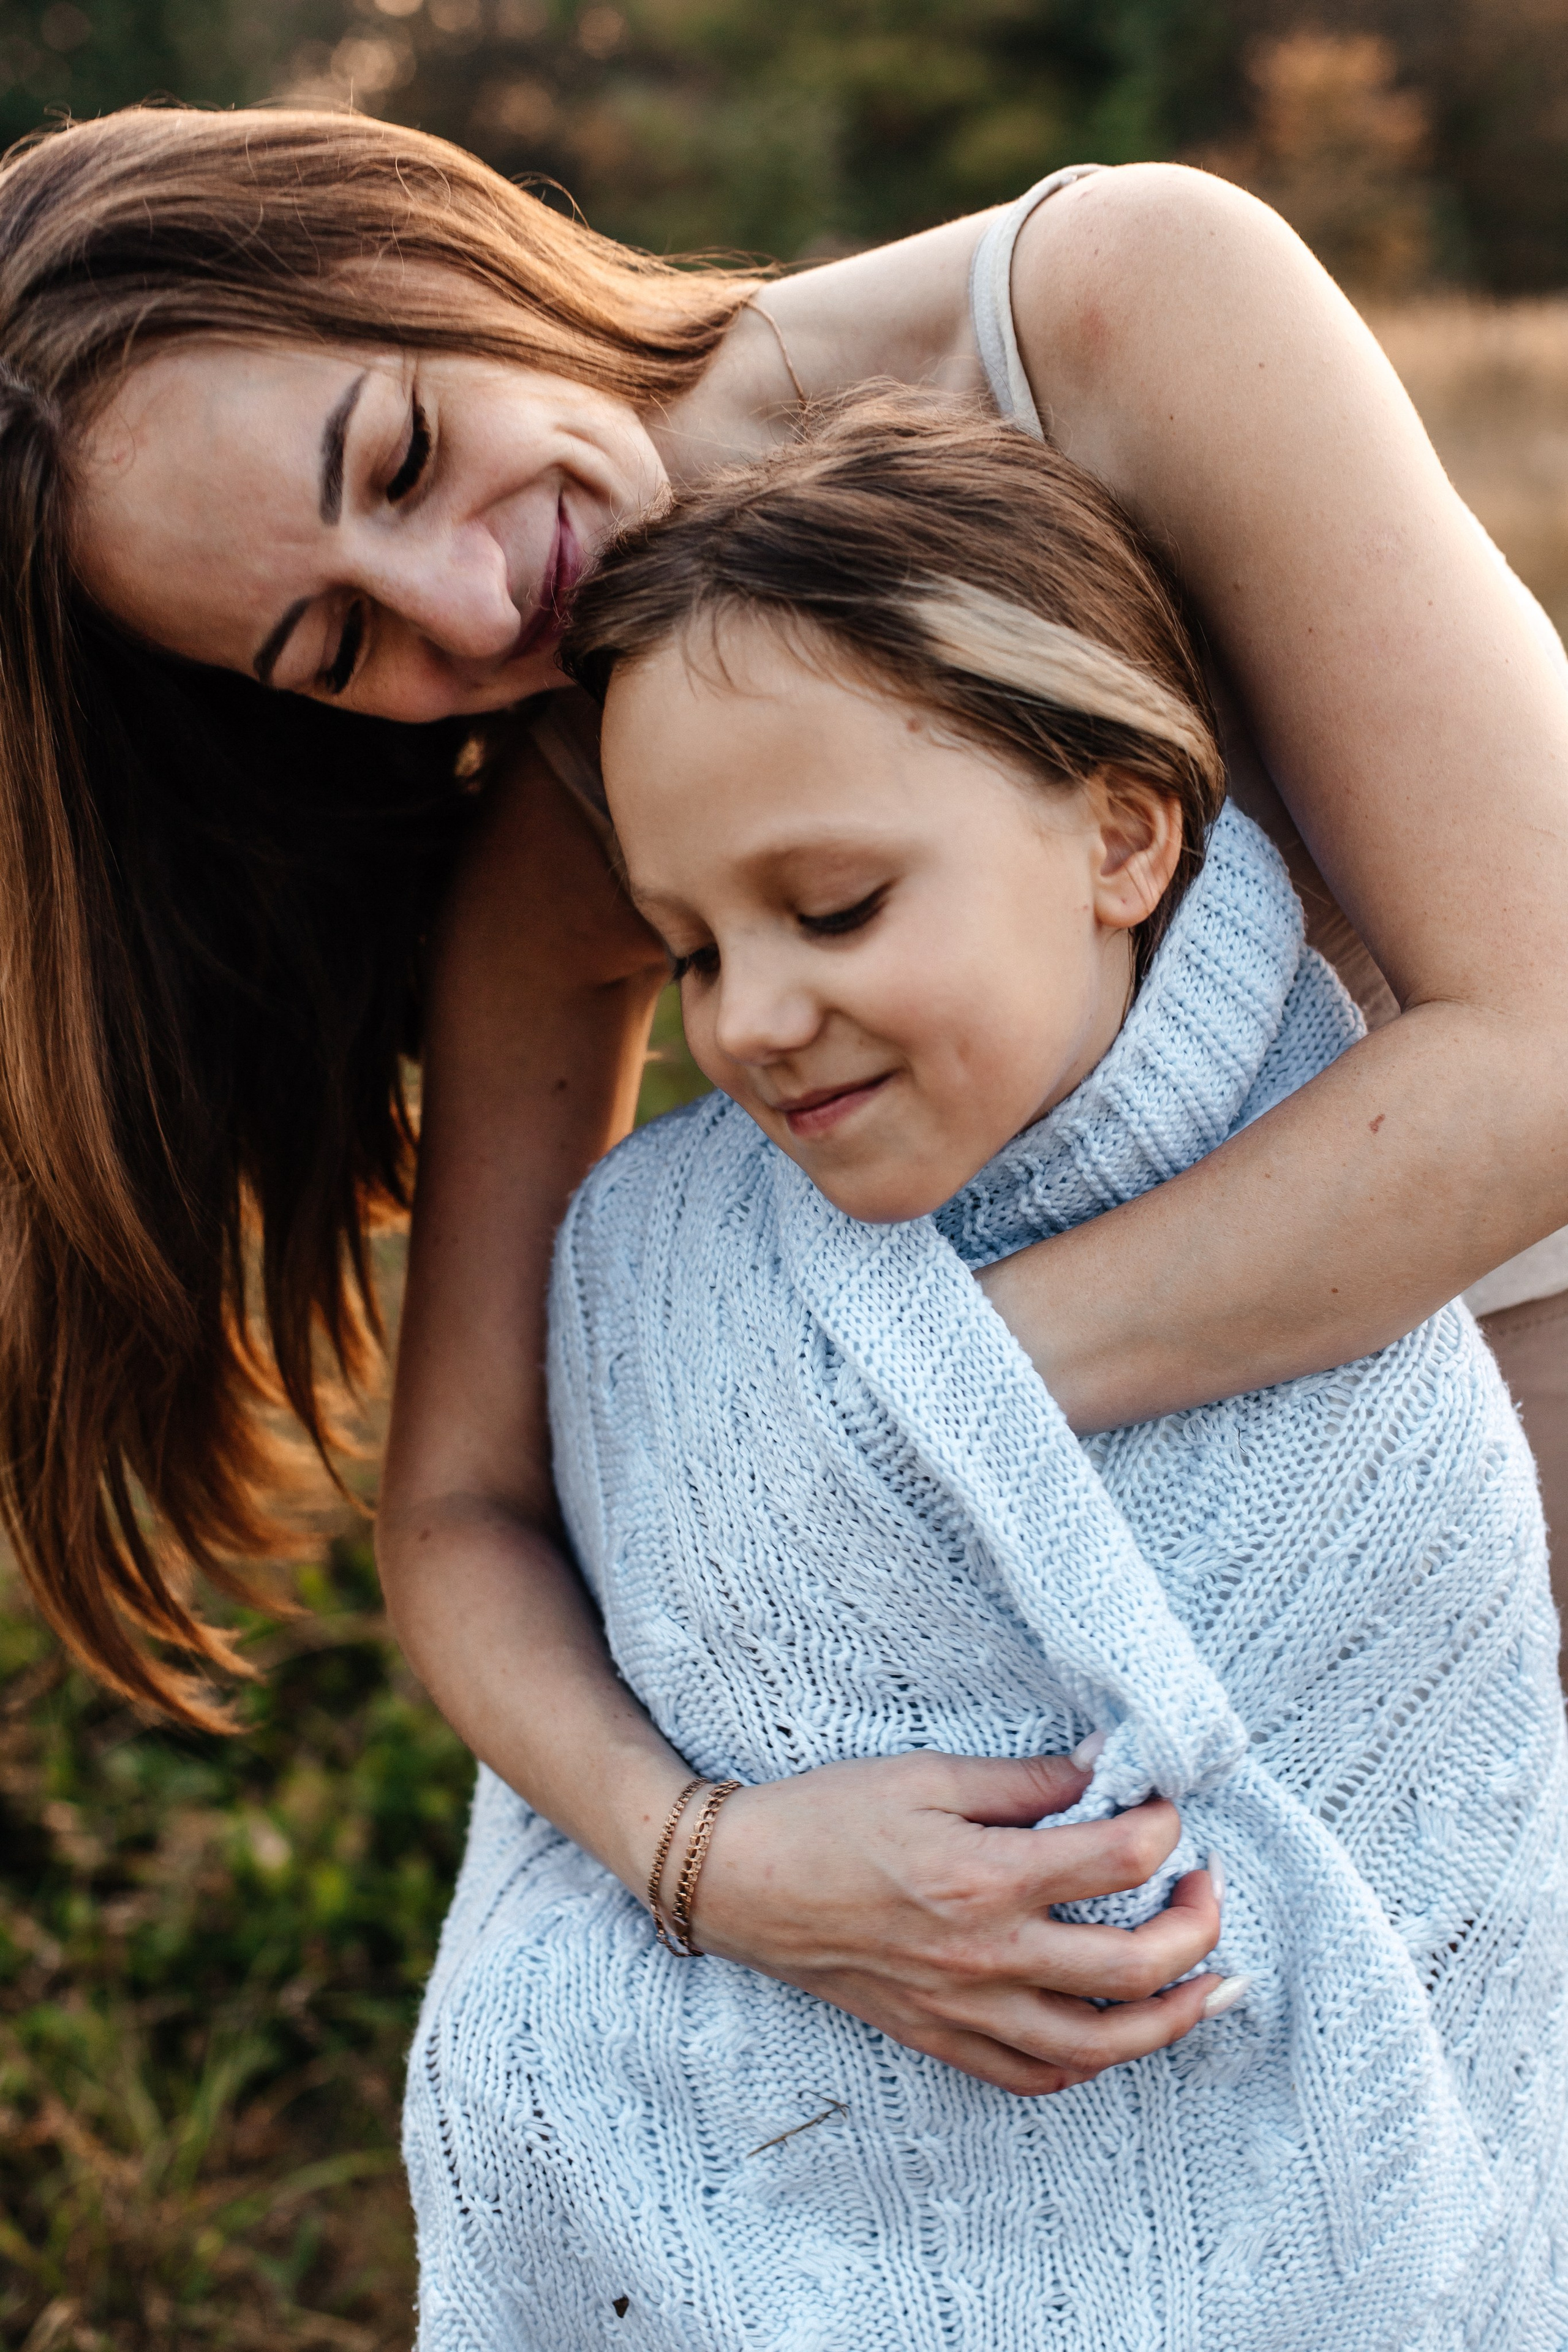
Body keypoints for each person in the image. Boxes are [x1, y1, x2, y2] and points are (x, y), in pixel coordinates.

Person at [7, 104, 1567, 2098]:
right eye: (339, 646)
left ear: (403, 241)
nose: (474, 605)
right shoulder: (561, 830)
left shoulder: (1116, 312)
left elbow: (1547, 1049)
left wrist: (828, 1421)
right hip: (1232, 1797)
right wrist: (715, 1867)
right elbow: (462, 1510)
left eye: (397, 455)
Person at [405, 396, 1567, 2346]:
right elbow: (581, 1767)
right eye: (688, 951)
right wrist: (718, 1878)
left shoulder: (1349, 1291)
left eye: (835, 906)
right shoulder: (652, 1277)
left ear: (1122, 831)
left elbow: (1456, 1887)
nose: (753, 1021)